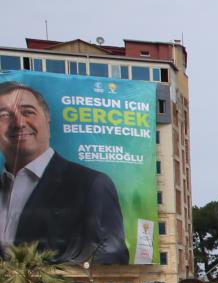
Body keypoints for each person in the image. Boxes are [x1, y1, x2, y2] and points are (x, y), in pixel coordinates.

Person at [0, 81, 128, 263]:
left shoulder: (90, 184)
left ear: (47, 119)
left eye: (28, 112)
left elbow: (112, 254)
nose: (19, 123)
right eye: (4, 115)